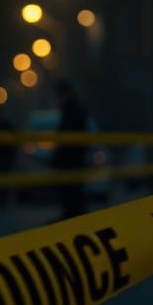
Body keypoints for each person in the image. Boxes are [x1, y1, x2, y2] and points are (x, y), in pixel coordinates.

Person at [52, 79, 89, 220]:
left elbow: (66, 137)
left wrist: (58, 157)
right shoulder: (75, 108)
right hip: (73, 160)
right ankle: (76, 219)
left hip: (70, 161)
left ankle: (74, 220)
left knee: (72, 195)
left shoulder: (71, 110)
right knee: (74, 195)